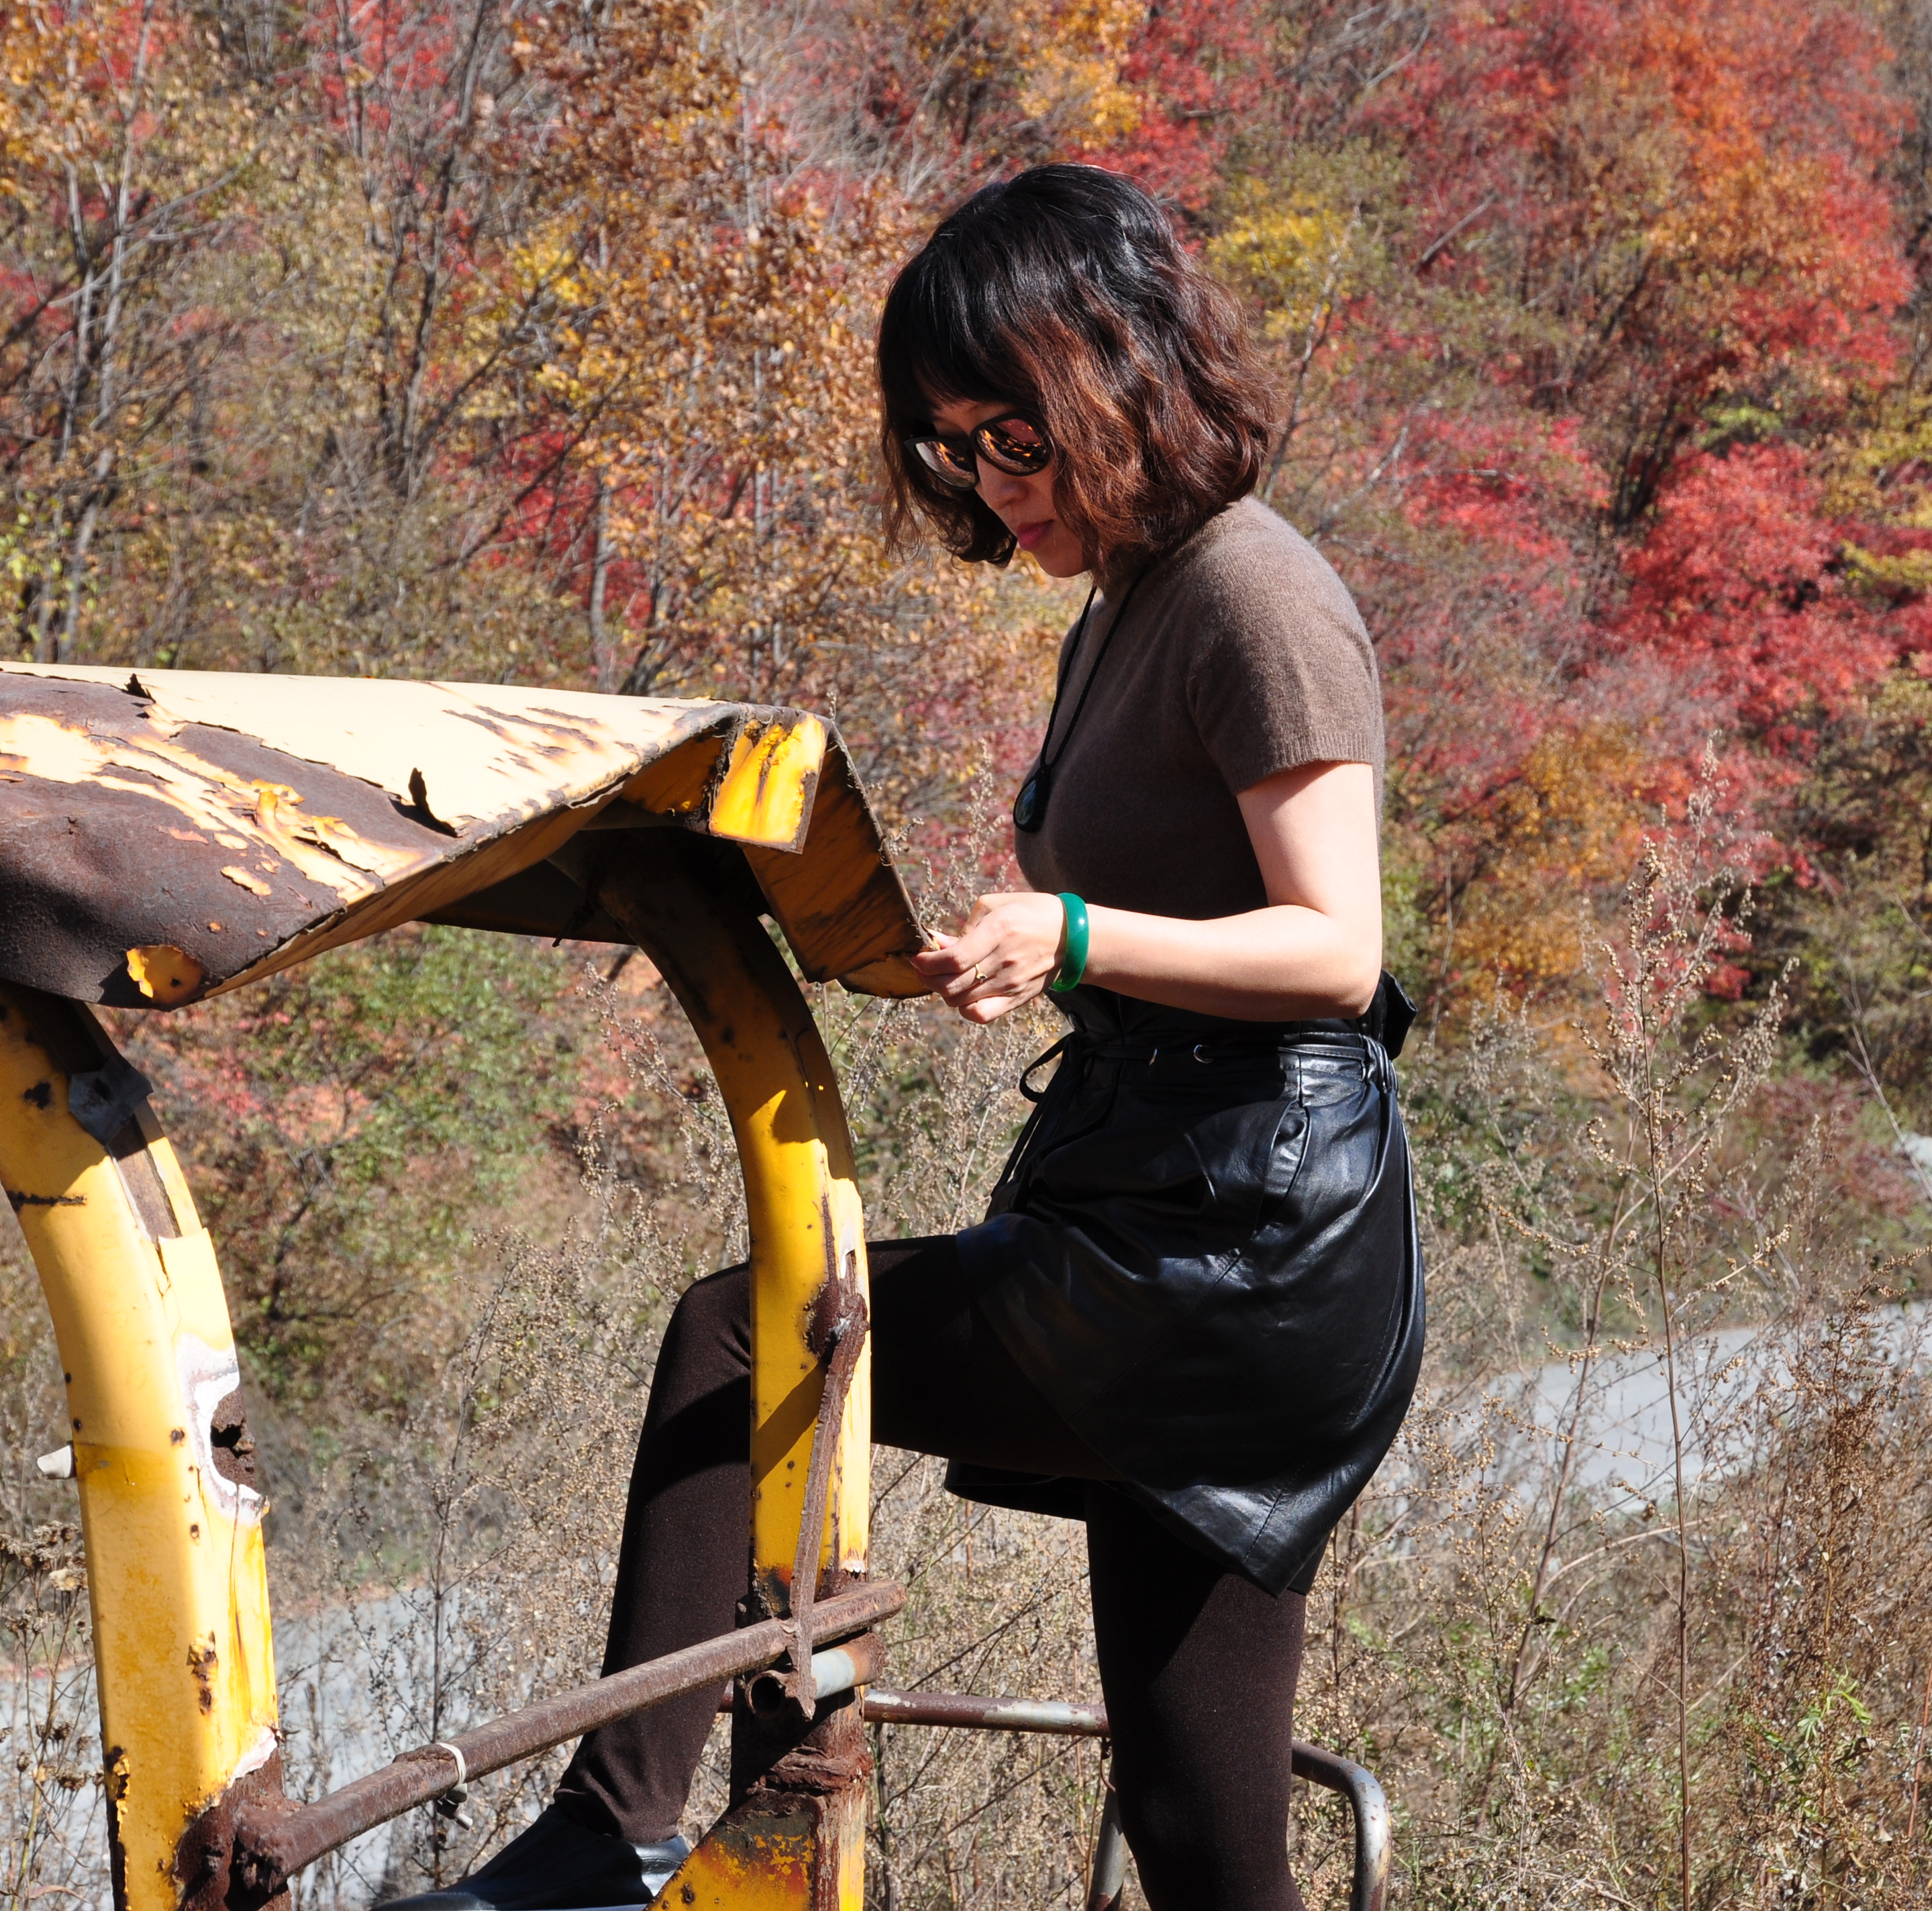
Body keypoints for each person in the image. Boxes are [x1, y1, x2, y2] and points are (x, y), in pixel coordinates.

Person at [383, 162, 1424, 1911]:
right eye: (955, 448)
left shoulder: (1255, 593)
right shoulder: (1126, 600)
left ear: (1120, 374)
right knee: (1197, 1827)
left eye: (1014, 436)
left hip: (1245, 1237)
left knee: (750, 1331)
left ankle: (619, 1826)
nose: (990, 484)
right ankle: (631, 1826)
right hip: (1179, 1198)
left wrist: (1073, 932)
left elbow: (1338, 952)